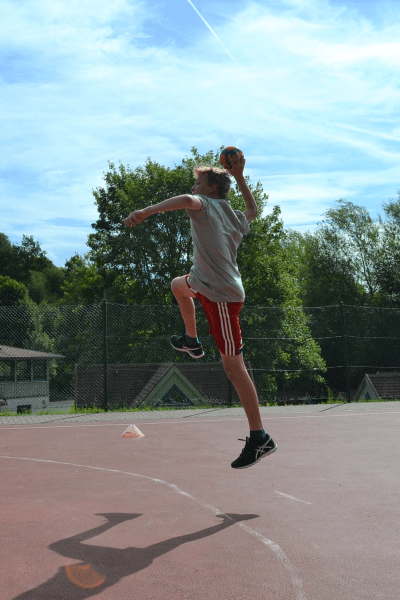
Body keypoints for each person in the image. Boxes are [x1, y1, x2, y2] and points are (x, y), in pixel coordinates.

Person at [123, 153, 277, 468]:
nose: (193, 187)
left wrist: (146, 211)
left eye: (198, 182)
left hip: (220, 296)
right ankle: (191, 340)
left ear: (210, 189)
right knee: (178, 285)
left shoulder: (204, 204)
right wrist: (241, 175)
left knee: (234, 368)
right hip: (202, 284)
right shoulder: (234, 215)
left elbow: (185, 199)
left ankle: (259, 436)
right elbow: (253, 210)